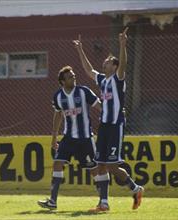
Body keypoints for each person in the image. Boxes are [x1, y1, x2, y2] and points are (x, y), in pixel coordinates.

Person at [73, 27, 144, 211]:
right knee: (101, 164)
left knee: (112, 165)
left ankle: (135, 189)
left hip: (116, 126)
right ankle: (103, 203)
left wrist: (122, 44)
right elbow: (89, 70)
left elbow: (124, 64)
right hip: (104, 126)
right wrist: (80, 49)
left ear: (114, 66)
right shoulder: (102, 80)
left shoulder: (118, 79)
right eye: (104, 62)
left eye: (107, 62)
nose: (104, 64)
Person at [37, 66, 110, 211]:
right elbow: (58, 115)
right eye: (70, 77)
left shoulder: (84, 91)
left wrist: (112, 112)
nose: (74, 77)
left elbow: (100, 106)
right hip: (68, 138)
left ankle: (103, 201)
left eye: (74, 75)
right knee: (57, 163)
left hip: (85, 139)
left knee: (94, 169)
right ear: (63, 81)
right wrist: (53, 138)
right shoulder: (58, 96)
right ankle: (52, 201)